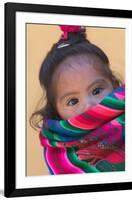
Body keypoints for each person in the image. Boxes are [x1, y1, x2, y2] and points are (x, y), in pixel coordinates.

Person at [30, 25, 125, 175]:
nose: (89, 105)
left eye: (96, 91)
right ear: (57, 111)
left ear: (114, 85)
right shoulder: (59, 151)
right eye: (73, 101)